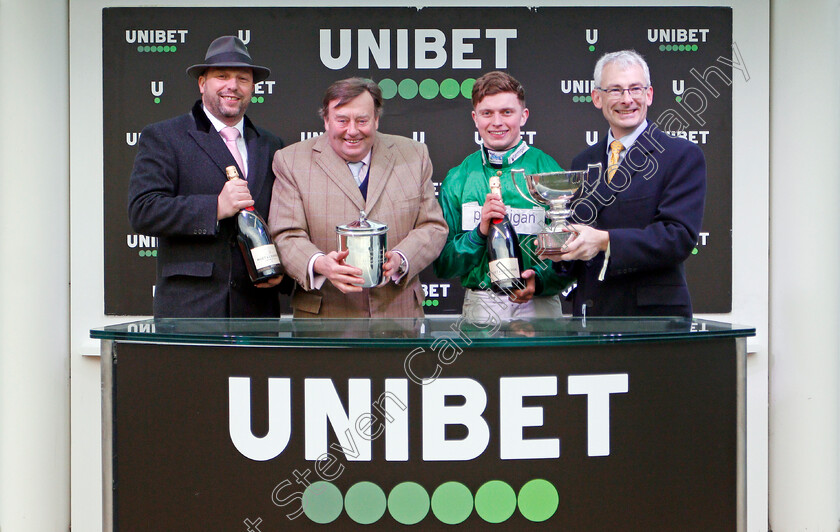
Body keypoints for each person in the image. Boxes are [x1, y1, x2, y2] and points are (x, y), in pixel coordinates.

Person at [128, 35, 287, 318]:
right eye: (222, 76)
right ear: (202, 83)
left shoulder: (271, 144)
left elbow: (283, 221)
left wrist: (282, 272)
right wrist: (215, 207)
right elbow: (143, 210)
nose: (233, 86)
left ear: (252, 88)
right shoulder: (164, 136)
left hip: (258, 312)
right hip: (191, 311)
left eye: (243, 78)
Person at [544, 50, 706, 318]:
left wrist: (605, 241)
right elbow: (578, 241)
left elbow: (678, 237)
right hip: (591, 317)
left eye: (635, 89)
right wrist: (557, 258)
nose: (627, 99)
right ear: (597, 97)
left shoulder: (681, 155)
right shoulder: (584, 161)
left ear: (649, 95)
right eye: (616, 90)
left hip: (652, 322)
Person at [268, 77, 448, 318]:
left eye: (362, 120)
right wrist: (321, 264)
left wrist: (401, 260)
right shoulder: (290, 161)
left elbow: (432, 226)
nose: (352, 131)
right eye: (342, 120)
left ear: (376, 120)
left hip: (398, 317)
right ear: (326, 120)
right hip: (325, 321)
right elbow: (285, 235)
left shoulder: (414, 155)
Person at [434, 71, 570, 322]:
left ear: (524, 116)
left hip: (539, 302)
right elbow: (444, 264)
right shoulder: (458, 178)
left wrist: (539, 282)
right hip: (482, 304)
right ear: (475, 118)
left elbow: (572, 256)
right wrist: (479, 233)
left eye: (507, 112)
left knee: (546, 363)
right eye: (487, 113)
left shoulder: (549, 172)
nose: (497, 122)